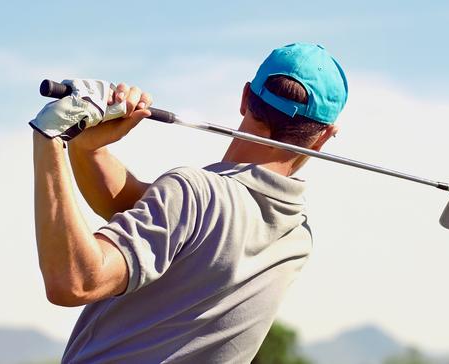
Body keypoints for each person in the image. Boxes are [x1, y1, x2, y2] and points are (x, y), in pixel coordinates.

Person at [29, 43, 348, 363]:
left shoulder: (194, 195)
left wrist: (51, 137)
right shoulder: (297, 237)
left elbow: (75, 281)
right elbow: (150, 215)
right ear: (323, 138)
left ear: (245, 98)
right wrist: (88, 149)